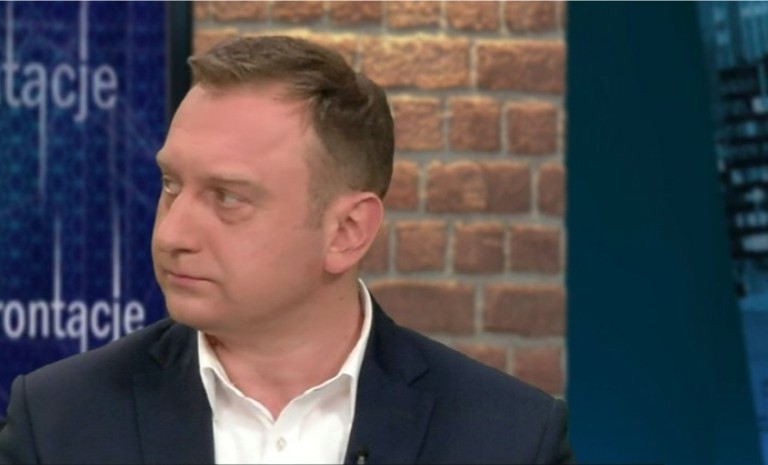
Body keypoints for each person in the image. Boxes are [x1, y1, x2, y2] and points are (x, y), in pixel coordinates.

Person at [0, 35, 574, 464]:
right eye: (171, 185)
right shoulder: (58, 422)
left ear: (347, 231)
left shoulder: (509, 439)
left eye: (228, 197)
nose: (172, 235)